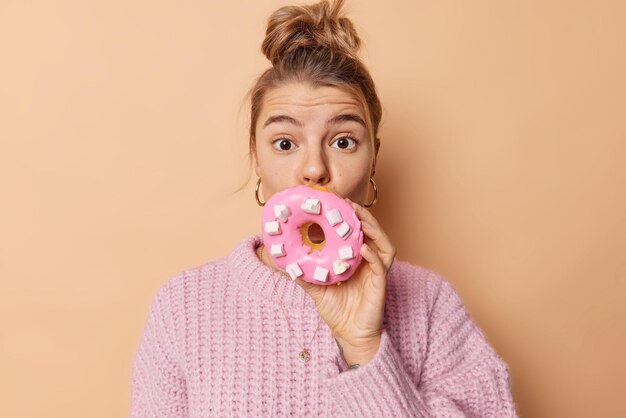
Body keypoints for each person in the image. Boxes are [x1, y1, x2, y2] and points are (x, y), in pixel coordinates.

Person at [130, 0, 517, 416]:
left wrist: (363, 348)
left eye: (343, 141)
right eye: (285, 143)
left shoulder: (430, 303)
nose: (314, 168)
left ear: (373, 159)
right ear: (256, 158)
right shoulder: (183, 307)